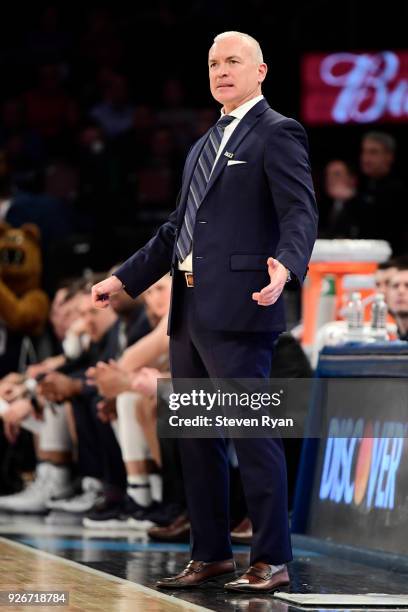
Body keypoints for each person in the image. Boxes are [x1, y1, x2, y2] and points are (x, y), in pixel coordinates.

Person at [92, 31, 318, 593]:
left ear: (260, 70)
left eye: (233, 61)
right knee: (197, 438)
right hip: (190, 310)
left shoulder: (278, 132)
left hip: (243, 305)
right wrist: (125, 278)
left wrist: (287, 267)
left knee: (250, 433)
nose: (221, 70)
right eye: (214, 63)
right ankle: (210, 554)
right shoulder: (202, 144)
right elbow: (177, 231)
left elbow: (299, 212)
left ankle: (271, 558)